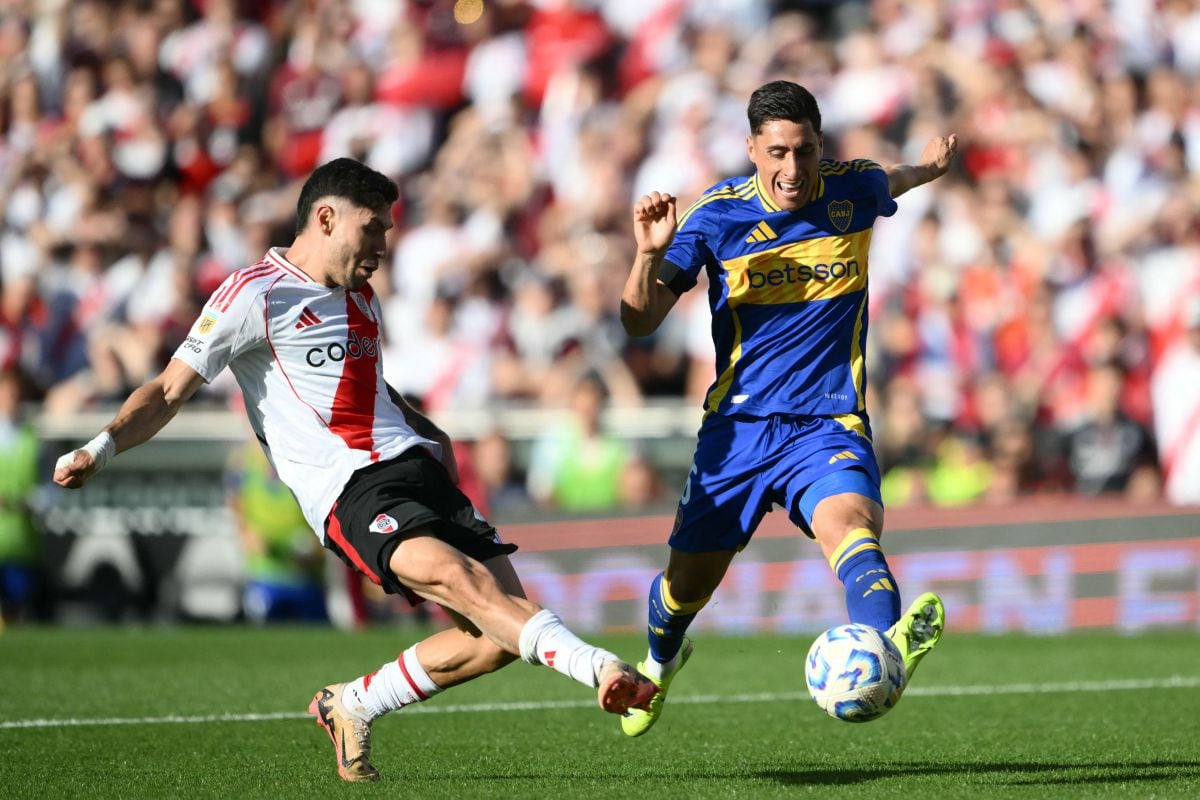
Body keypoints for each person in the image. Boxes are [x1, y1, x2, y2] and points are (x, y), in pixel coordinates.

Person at [53, 157, 655, 782]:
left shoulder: (360, 296)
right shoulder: (254, 293)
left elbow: (371, 390)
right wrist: (101, 447)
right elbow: (169, 390)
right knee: (460, 580)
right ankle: (602, 669)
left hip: (416, 466)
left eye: (389, 232)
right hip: (349, 488)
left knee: (495, 633)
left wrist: (429, 431)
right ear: (326, 217)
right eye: (373, 229)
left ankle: (353, 703)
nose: (383, 247)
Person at [618, 80, 955, 737]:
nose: (791, 169)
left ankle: (888, 646)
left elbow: (894, 179)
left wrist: (931, 168)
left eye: (803, 151)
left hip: (827, 422)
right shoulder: (717, 216)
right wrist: (646, 255)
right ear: (751, 148)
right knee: (685, 586)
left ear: (820, 146)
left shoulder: (853, 188)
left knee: (853, 529)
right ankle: (658, 664)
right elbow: (639, 323)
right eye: (776, 152)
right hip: (736, 432)